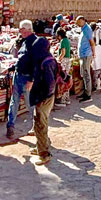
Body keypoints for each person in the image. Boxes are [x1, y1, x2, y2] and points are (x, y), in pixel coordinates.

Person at [6, 20, 39, 140]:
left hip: (27, 78)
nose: (20, 32)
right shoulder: (25, 41)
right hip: (18, 75)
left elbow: (36, 63)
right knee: (14, 102)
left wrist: (32, 79)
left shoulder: (35, 43)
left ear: (27, 30)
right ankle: (10, 126)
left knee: (30, 104)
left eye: (21, 30)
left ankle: (37, 127)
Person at [28, 37, 59, 166]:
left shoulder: (46, 62)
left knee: (41, 124)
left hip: (44, 97)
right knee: (39, 123)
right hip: (45, 96)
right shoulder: (48, 58)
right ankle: (40, 146)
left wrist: (42, 97)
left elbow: (50, 82)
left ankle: (44, 153)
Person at [75, 16, 94, 102]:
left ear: (83, 20)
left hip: (86, 54)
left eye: (78, 22)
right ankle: (85, 92)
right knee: (83, 74)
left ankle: (88, 95)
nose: (77, 24)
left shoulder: (87, 29)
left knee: (86, 74)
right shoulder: (83, 29)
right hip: (83, 54)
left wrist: (93, 54)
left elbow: (91, 42)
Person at [56, 28, 73, 106]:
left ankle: (62, 100)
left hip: (64, 61)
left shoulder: (63, 41)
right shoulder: (67, 40)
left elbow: (63, 52)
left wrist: (58, 59)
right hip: (68, 60)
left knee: (62, 80)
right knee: (66, 80)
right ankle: (66, 99)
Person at [92, 24, 101, 92]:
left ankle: (95, 87)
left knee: (95, 77)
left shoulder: (91, 49)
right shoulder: (98, 47)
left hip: (96, 65)